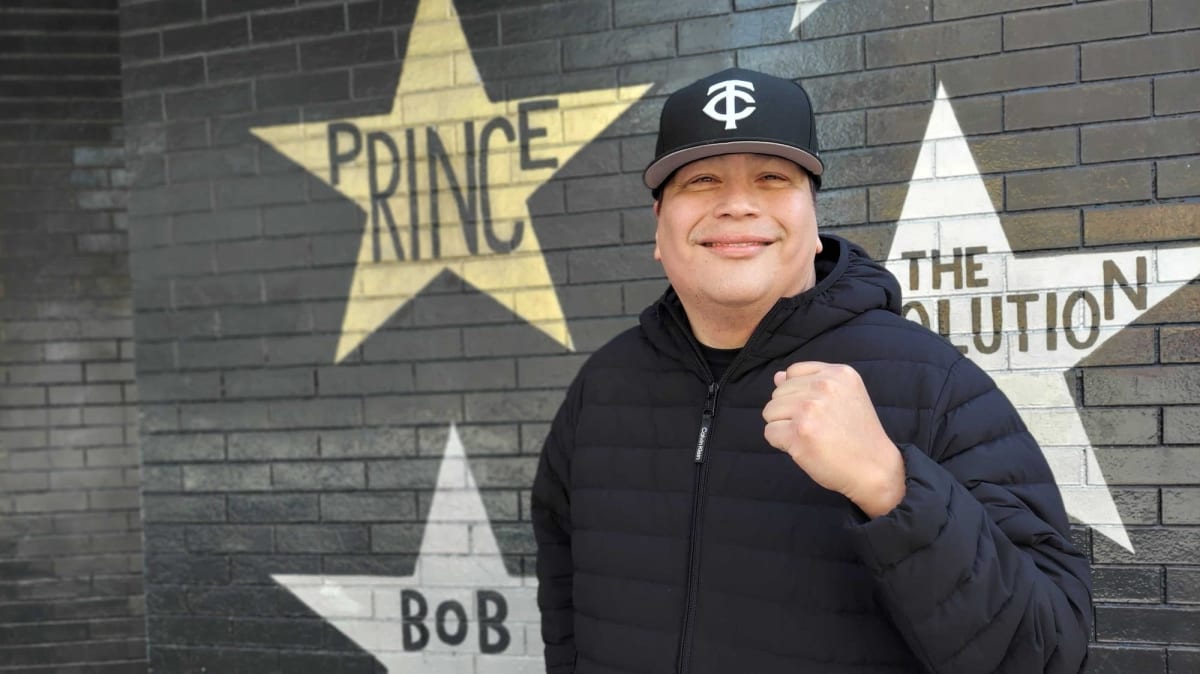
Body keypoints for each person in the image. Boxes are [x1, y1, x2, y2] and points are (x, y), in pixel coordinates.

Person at [531, 67, 1092, 674]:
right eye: (701, 179)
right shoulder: (603, 389)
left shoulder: (935, 384)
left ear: (812, 221)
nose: (738, 203)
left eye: (773, 178)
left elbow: (1049, 653)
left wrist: (891, 487)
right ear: (658, 231)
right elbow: (566, 611)